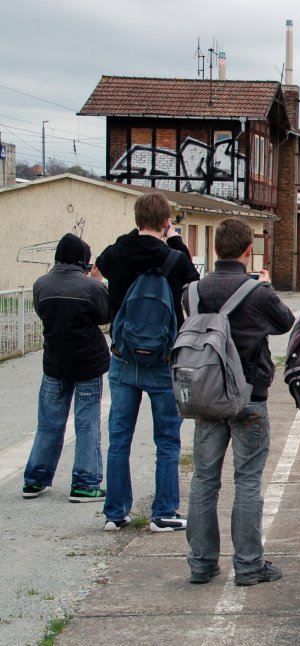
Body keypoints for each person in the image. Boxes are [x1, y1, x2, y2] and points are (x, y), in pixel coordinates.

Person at [184, 217, 295, 586]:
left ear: (216, 249)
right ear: (250, 250)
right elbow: (284, 322)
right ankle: (248, 566)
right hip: (249, 397)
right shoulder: (257, 292)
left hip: (207, 396)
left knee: (203, 480)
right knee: (247, 481)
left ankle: (201, 563)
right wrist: (264, 285)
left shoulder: (193, 292)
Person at [96, 193, 200, 532]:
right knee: (167, 439)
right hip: (162, 358)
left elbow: (100, 270)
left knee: (119, 438)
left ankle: (115, 513)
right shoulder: (173, 258)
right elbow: (193, 285)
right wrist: (177, 241)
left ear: (137, 218)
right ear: (166, 221)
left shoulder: (116, 253)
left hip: (123, 357)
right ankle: (165, 512)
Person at [23, 234, 111, 502]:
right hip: (87, 363)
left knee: (49, 423)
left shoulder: (41, 285)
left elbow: (42, 312)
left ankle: (35, 480)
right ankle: (85, 483)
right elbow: (106, 316)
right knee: (87, 423)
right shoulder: (91, 289)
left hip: (54, 363)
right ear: (83, 261)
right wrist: (96, 282)